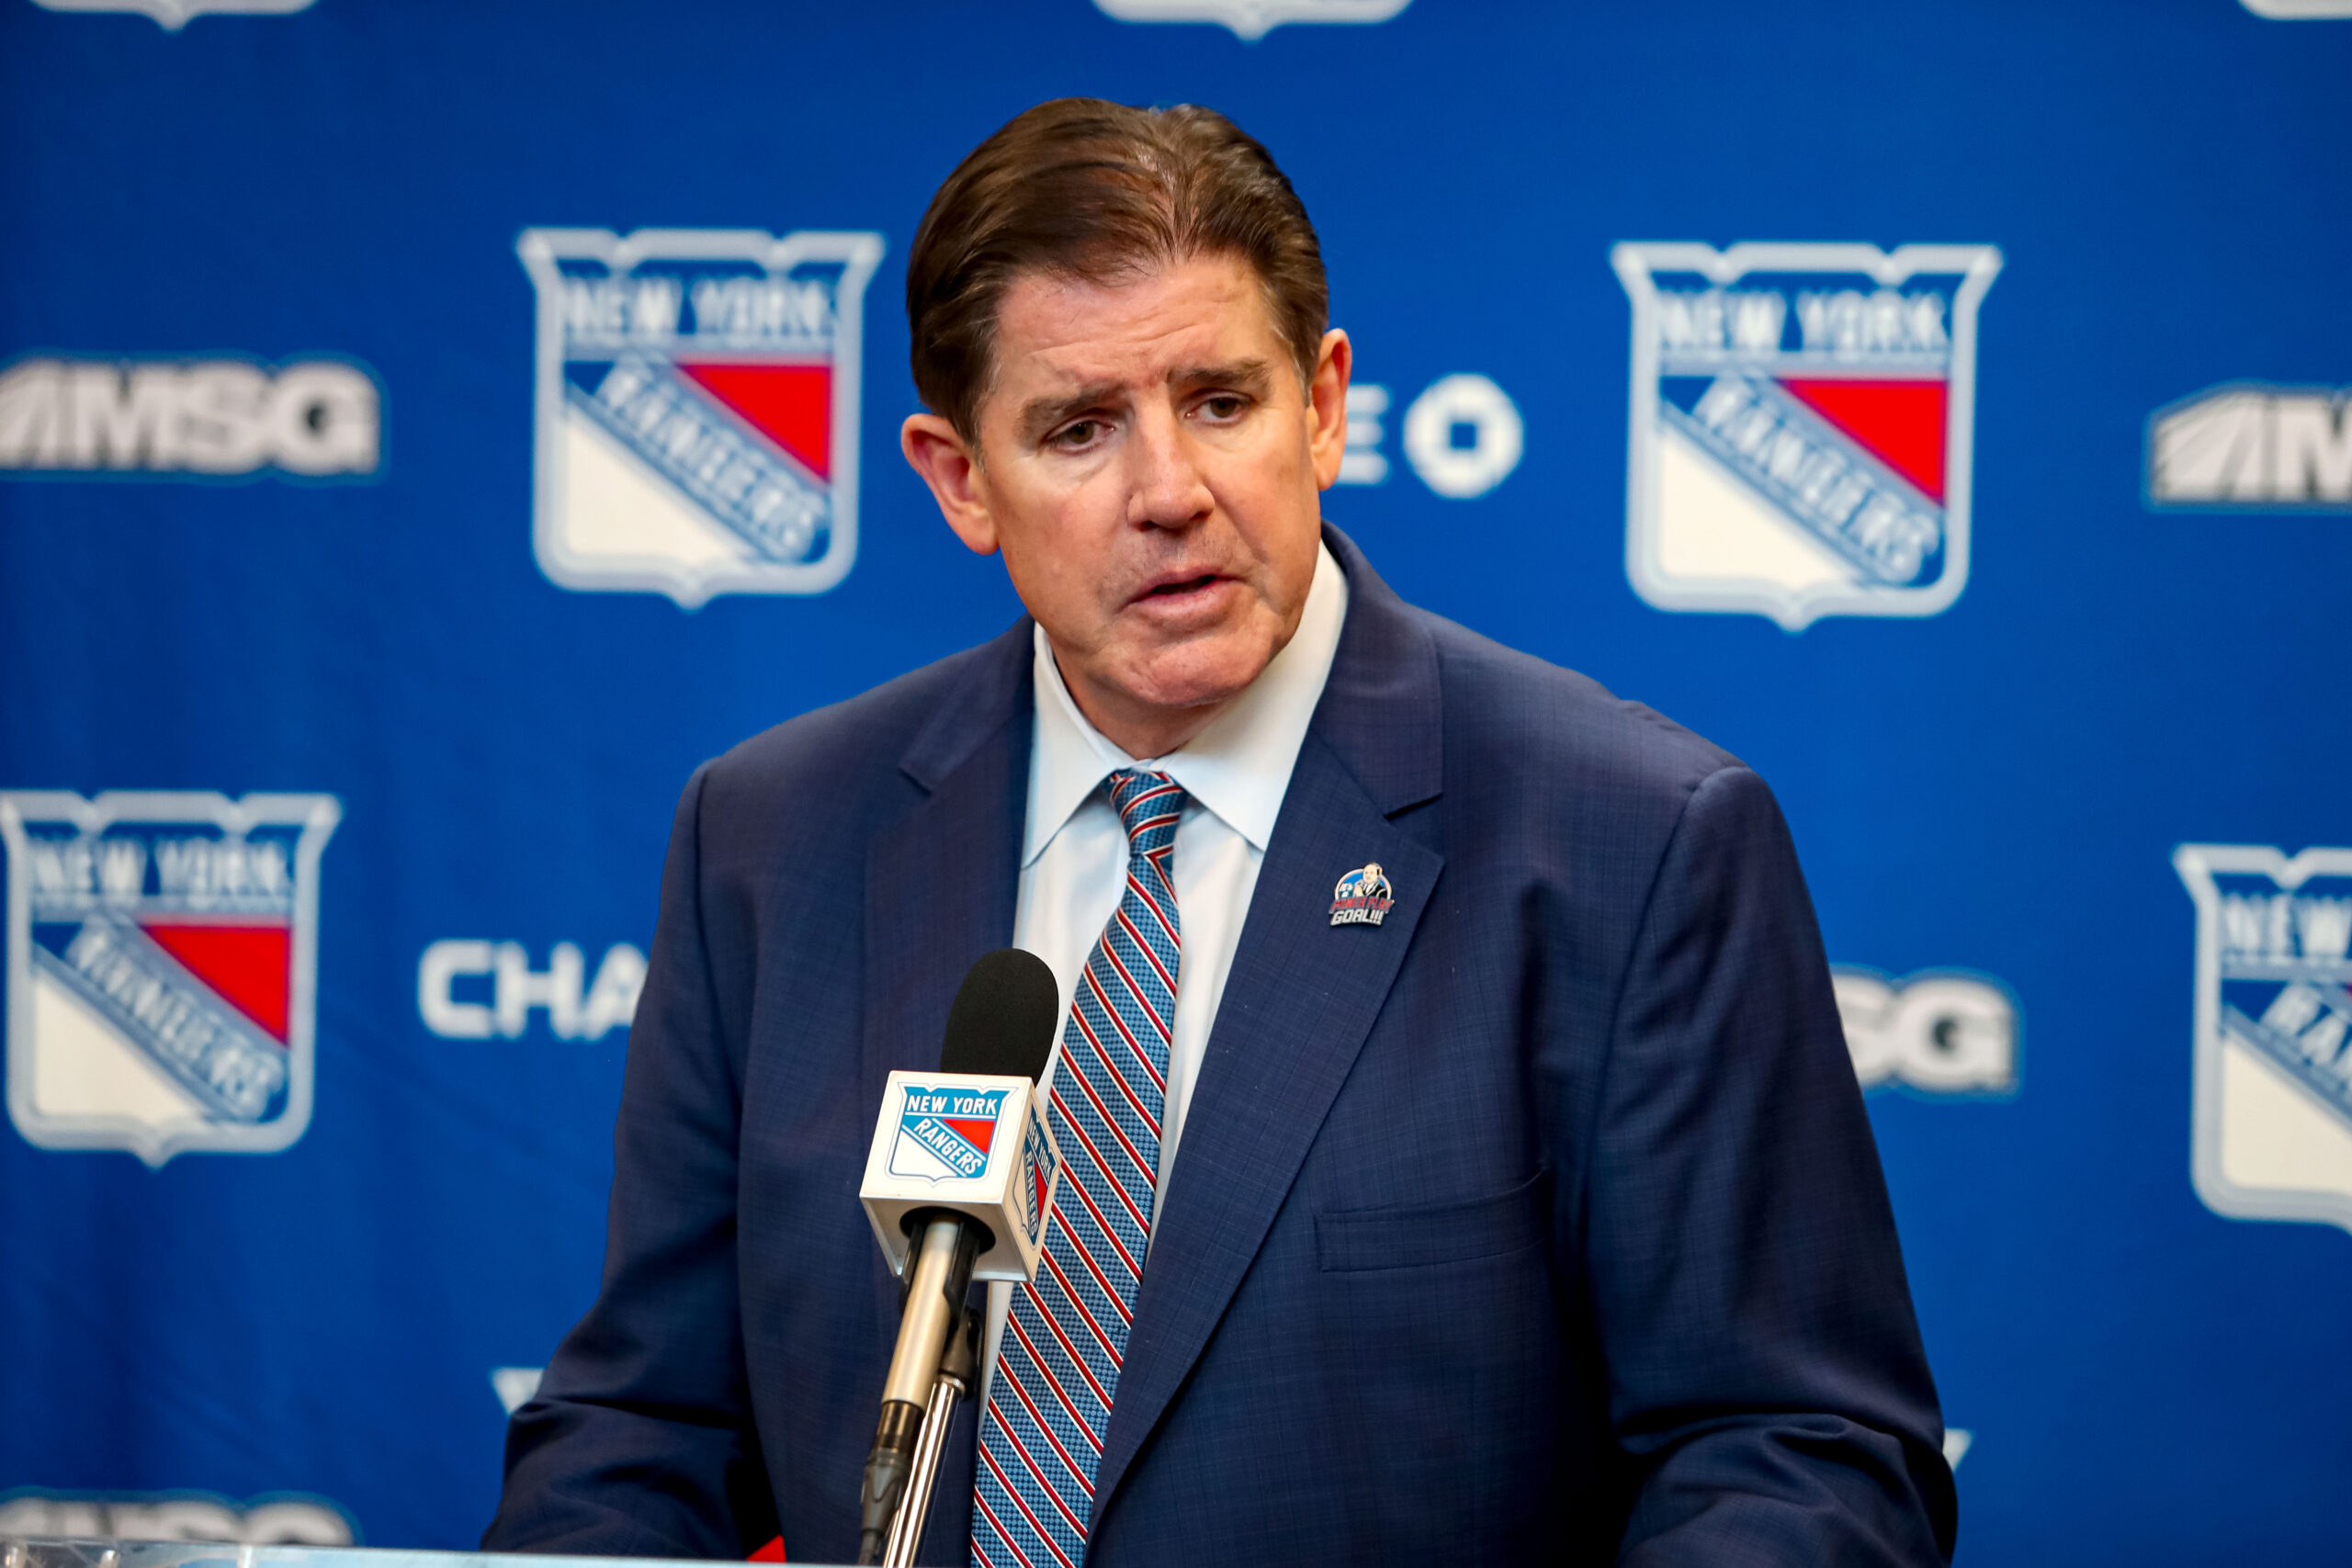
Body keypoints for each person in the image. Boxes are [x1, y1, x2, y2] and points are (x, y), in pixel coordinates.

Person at [484, 98, 1957, 1566]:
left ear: (1322, 406)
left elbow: (1796, 1460)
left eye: (1221, 402)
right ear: (960, 479)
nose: (1170, 494)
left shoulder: (1632, 846)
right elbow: (649, 1431)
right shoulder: (771, 842)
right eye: (1079, 429)